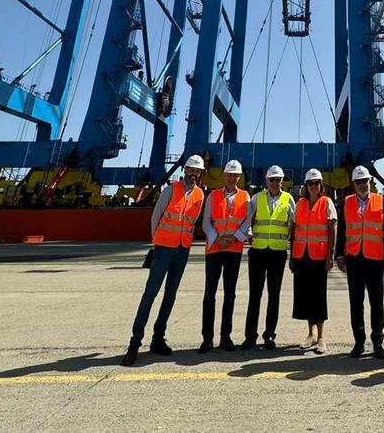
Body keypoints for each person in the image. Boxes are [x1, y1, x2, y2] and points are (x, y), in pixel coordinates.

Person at [122, 155, 207, 366]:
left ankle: (158, 338)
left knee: (170, 295)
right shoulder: (171, 190)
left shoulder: (200, 195)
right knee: (150, 294)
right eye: (191, 170)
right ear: (184, 170)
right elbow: (156, 216)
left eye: (197, 171)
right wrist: (157, 242)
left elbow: (192, 222)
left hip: (182, 250)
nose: (194, 174)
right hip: (163, 250)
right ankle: (135, 342)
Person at [335, 166, 384, 358]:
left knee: (377, 303)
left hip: (375, 259)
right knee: (356, 303)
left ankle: (377, 342)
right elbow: (342, 231)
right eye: (358, 182)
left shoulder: (382, 202)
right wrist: (339, 255)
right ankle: (359, 342)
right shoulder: (346, 203)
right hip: (354, 259)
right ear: (354, 184)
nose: (362, 185)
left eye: (365, 181)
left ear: (370, 182)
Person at [237, 165, 294, 350]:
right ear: (266, 181)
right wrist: (249, 234)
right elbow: (247, 220)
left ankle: (269, 335)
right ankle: (250, 336)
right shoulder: (257, 198)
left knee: (274, 296)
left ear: (282, 181)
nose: (275, 183)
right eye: (272, 179)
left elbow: (294, 223)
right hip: (258, 251)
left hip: (277, 252)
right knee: (255, 295)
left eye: (278, 180)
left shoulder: (288, 199)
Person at [199, 159, 248, 353]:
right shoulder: (212, 195)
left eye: (235, 175)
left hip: (233, 250)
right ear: (224, 175)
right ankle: (207, 338)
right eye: (229, 174)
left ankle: (225, 337)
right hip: (215, 249)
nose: (232, 178)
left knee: (230, 294)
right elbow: (206, 222)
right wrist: (217, 238)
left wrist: (233, 237)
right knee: (209, 294)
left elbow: (246, 222)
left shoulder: (245, 196)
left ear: (239, 177)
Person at [291, 168, 337, 354]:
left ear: (321, 185)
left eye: (316, 183)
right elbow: (293, 231)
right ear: (306, 186)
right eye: (310, 183)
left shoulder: (327, 203)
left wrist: (331, 254)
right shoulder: (300, 203)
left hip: (319, 256)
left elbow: (333, 228)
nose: (313, 186)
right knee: (306, 296)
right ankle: (310, 335)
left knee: (319, 296)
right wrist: (292, 257)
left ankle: (321, 338)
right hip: (301, 256)